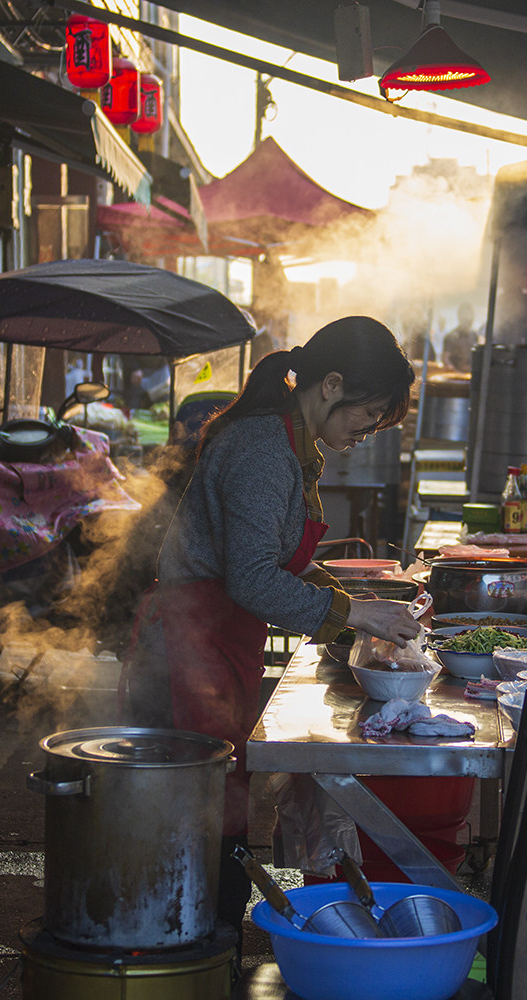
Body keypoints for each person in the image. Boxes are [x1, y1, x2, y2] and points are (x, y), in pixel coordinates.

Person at [129, 316, 421, 938]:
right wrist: (357, 615)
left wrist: (342, 596)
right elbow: (254, 579)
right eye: (365, 416)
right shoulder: (263, 446)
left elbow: (279, 555)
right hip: (190, 641)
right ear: (331, 384)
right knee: (197, 814)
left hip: (220, 637)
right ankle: (190, 951)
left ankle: (208, 944)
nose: (365, 433)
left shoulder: (291, 441)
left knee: (219, 804)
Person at [441, 303, 478, 371]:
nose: (466, 319)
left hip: (471, 375)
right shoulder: (451, 337)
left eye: (468, 317)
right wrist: (455, 371)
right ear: (459, 317)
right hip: (454, 377)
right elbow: (445, 358)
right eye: (464, 316)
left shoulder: (475, 336)